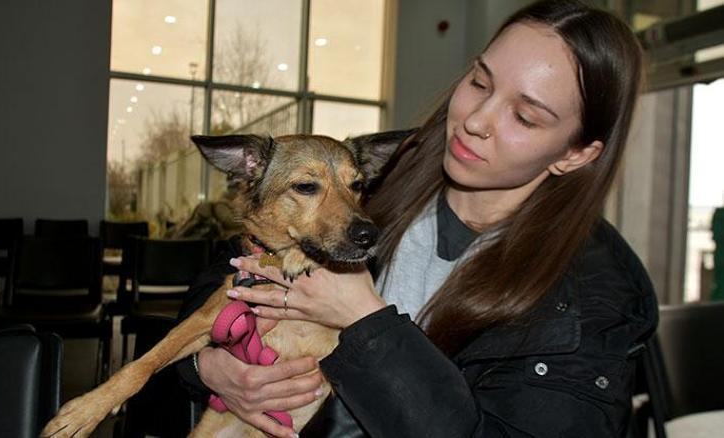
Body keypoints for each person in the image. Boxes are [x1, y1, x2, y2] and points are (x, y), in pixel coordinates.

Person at [175, 0, 658, 436]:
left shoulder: (593, 298)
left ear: (574, 155)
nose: (476, 119)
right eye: (479, 82)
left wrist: (365, 320)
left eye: (525, 117)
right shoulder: (369, 181)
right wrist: (208, 366)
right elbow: (228, 277)